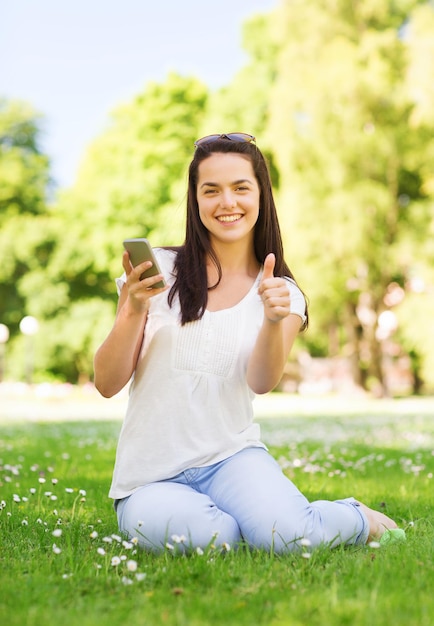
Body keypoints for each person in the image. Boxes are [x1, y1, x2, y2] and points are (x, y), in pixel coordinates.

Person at [94, 132, 398, 553]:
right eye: (211, 190)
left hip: (233, 459)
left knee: (291, 539)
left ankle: (353, 516)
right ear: (195, 199)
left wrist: (273, 322)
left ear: (261, 195)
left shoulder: (281, 293)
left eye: (241, 188)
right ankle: (238, 520)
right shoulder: (160, 271)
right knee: (207, 539)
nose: (227, 203)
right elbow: (107, 383)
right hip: (150, 476)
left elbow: (262, 381)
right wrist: (130, 309)